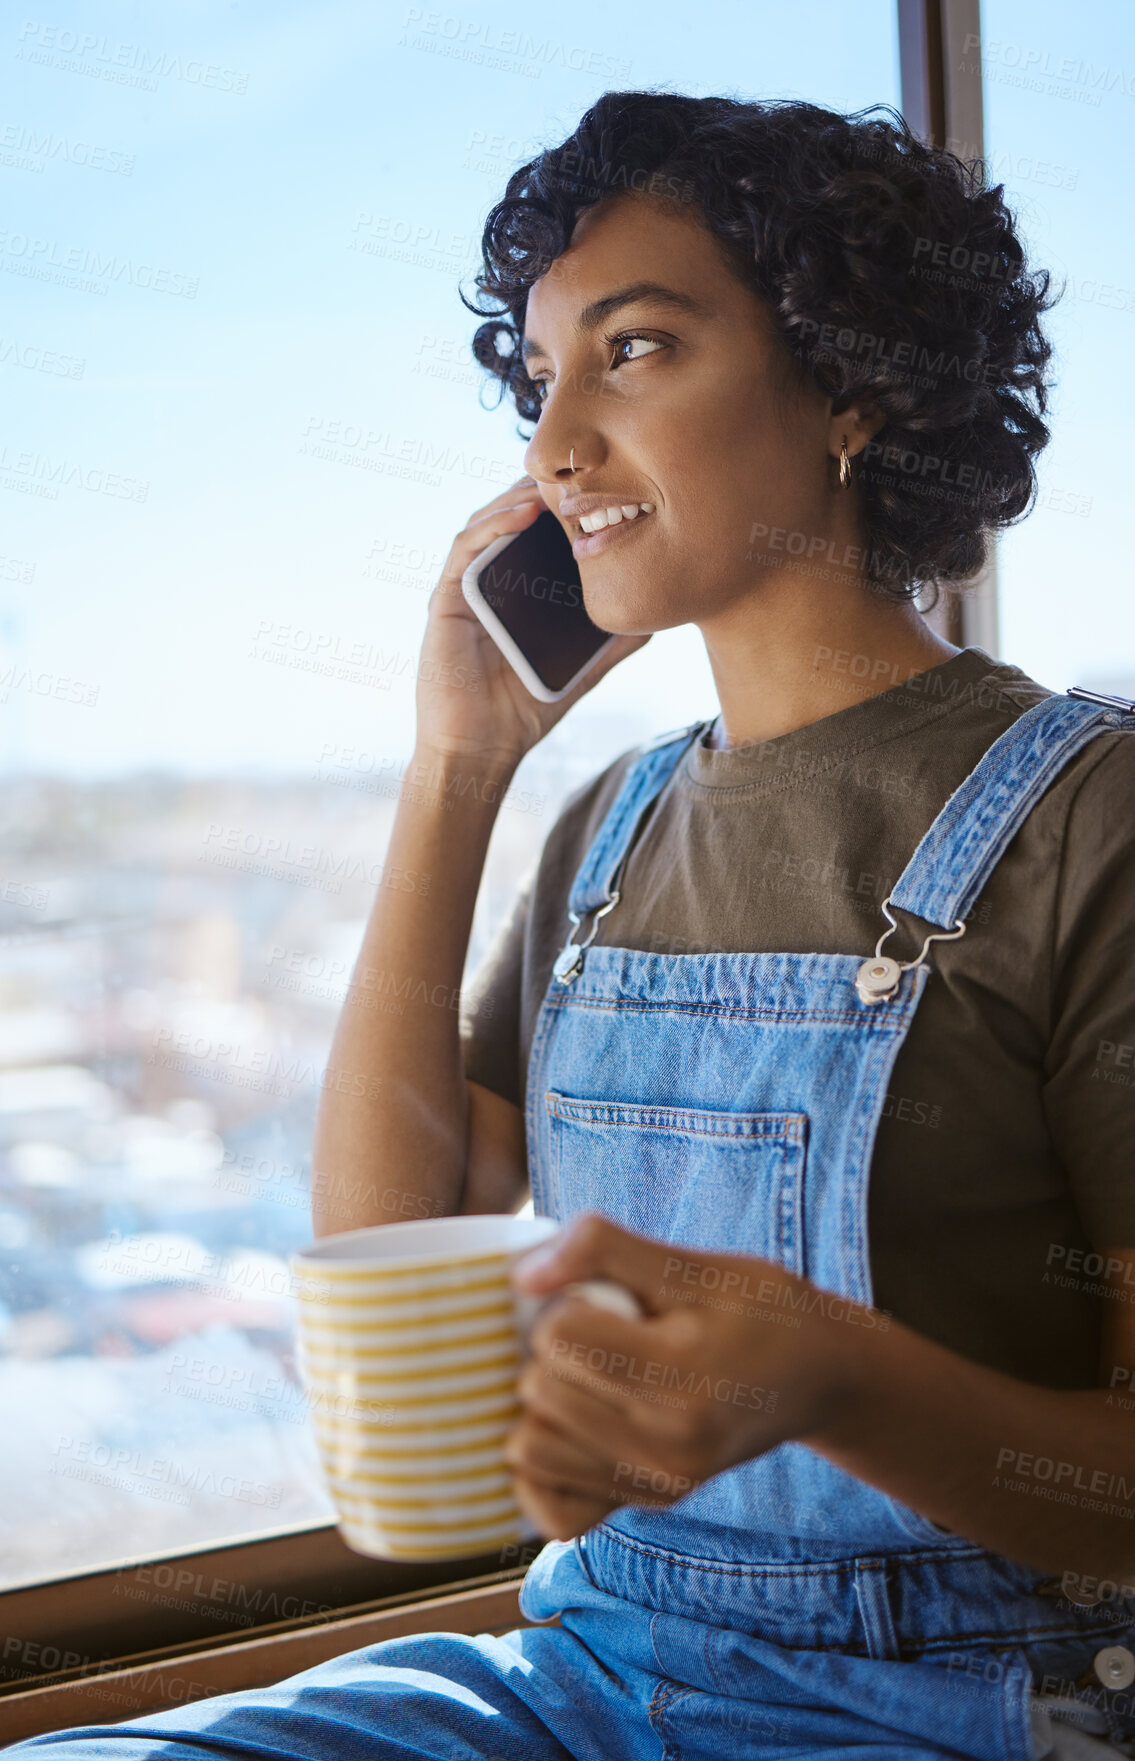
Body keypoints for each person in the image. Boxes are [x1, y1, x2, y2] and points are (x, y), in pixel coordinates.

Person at [14, 91, 1135, 1761]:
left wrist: (836, 1371)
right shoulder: (612, 830)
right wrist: (457, 770)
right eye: (539, 379)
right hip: (587, 1668)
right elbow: (389, 1250)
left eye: (636, 351)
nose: (551, 444)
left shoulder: (1087, 816)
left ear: (854, 385)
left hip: (961, 1708)